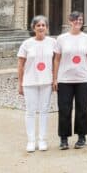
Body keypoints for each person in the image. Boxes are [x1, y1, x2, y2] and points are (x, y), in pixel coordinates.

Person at [17, 15, 57, 152]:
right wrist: (20, 83)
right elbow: (21, 65)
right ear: (33, 28)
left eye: (43, 25)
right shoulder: (27, 44)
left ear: (47, 28)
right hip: (30, 82)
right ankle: (31, 141)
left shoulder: (52, 42)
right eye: (38, 25)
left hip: (46, 81)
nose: (41, 27)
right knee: (30, 111)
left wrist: (54, 79)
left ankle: (42, 140)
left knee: (44, 111)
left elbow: (55, 62)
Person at [53, 11, 87, 150]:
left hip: (83, 79)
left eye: (80, 19)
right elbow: (57, 59)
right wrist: (55, 78)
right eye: (75, 19)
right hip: (65, 79)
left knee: (83, 109)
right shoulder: (61, 38)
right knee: (64, 109)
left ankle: (81, 137)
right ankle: (64, 139)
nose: (78, 22)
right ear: (70, 21)